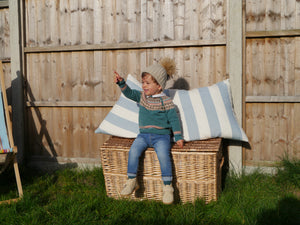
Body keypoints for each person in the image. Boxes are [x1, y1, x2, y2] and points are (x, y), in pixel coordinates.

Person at [114, 58, 184, 204]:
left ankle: (167, 187)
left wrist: (178, 137)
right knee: (133, 151)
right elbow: (129, 93)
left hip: (162, 137)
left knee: (164, 157)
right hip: (143, 136)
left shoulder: (166, 102)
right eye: (143, 82)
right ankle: (132, 180)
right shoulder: (142, 97)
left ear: (159, 86)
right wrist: (121, 83)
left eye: (148, 83)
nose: (144, 85)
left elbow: (174, 120)